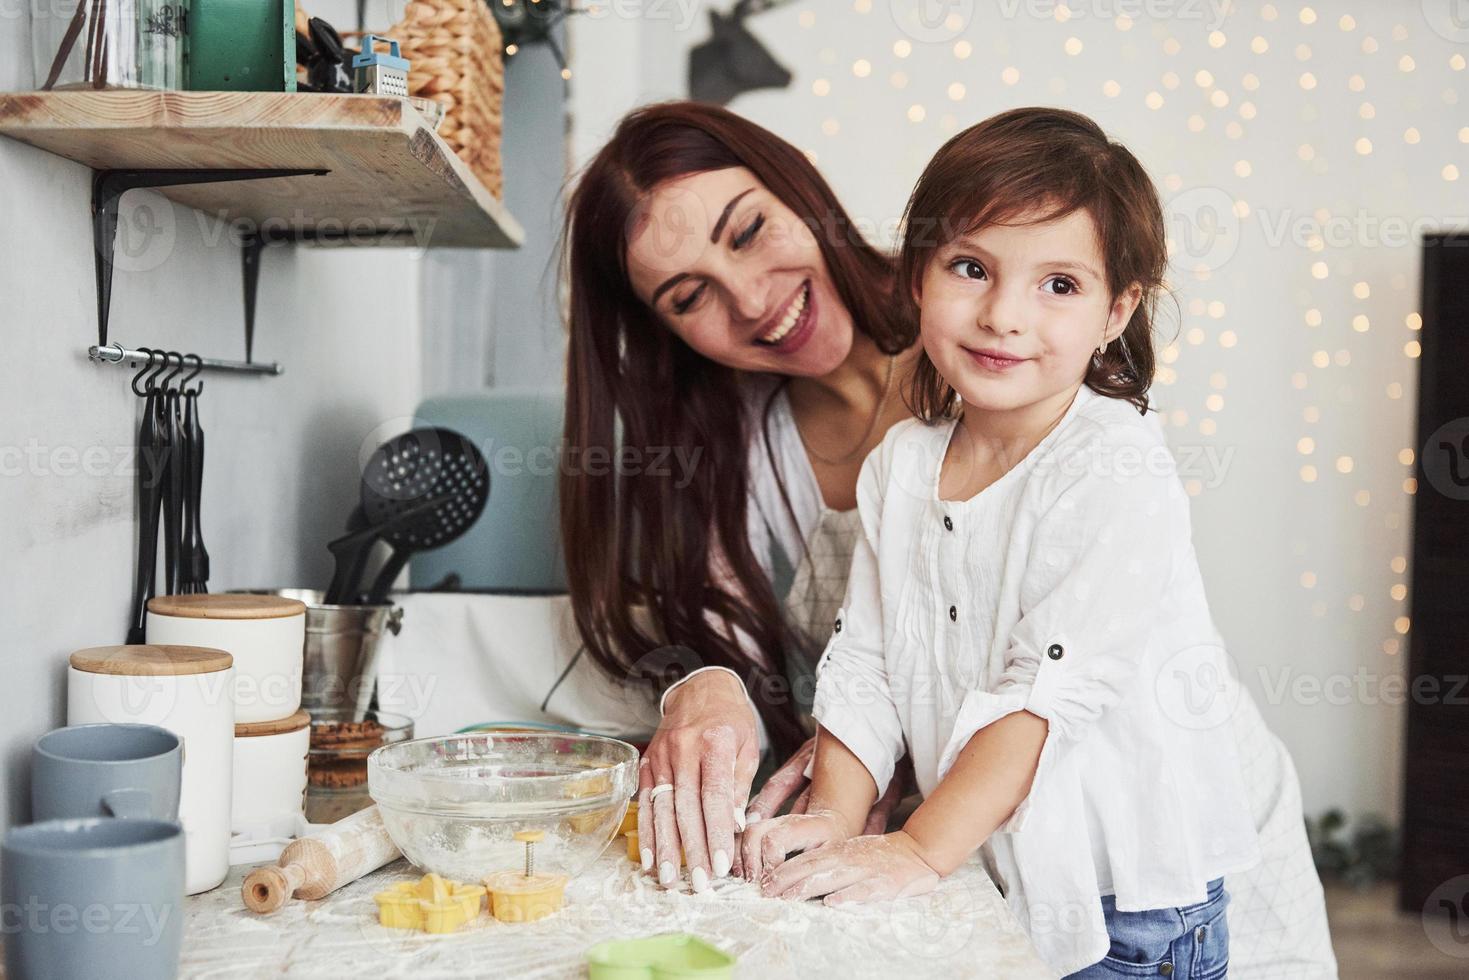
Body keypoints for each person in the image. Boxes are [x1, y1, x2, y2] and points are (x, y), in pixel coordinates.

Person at [739, 107, 1337, 979]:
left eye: (1058, 284)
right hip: (994, 863)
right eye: (970, 267)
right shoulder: (902, 465)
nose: (1002, 316)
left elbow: (1043, 697)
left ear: (1114, 311)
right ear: (915, 280)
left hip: (1122, 897)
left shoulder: (1111, 463)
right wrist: (835, 815)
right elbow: (865, 655)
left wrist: (913, 850)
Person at [559, 101, 923, 893]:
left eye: (748, 231)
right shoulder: (726, 450)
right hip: (907, 868)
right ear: (664, 333)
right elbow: (736, 661)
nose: (753, 302)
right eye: (690, 297)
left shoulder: (988, 332)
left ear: (797, 188)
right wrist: (705, 684)